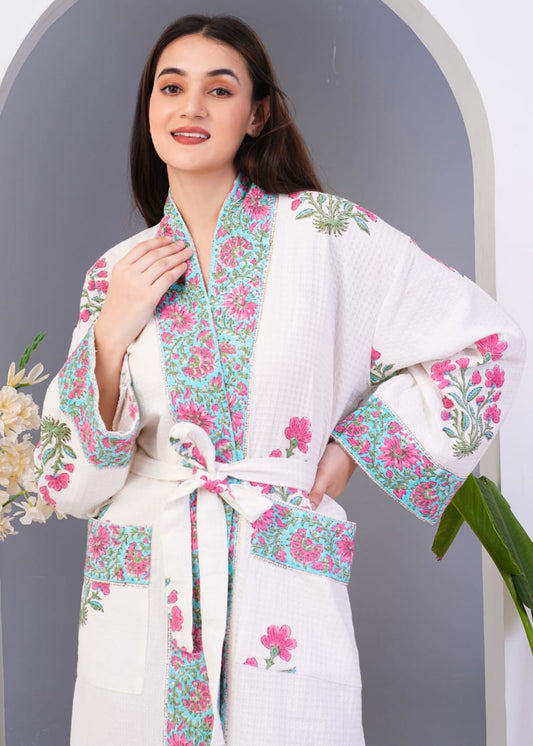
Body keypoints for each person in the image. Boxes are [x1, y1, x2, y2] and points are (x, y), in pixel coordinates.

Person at [35, 13, 525, 746]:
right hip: (149, 579)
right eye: (171, 87)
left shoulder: (327, 234)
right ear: (149, 107)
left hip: (277, 568)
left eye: (218, 89)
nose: (191, 108)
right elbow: (70, 484)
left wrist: (356, 448)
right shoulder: (117, 271)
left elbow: (483, 340)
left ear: (257, 113)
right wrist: (111, 331)